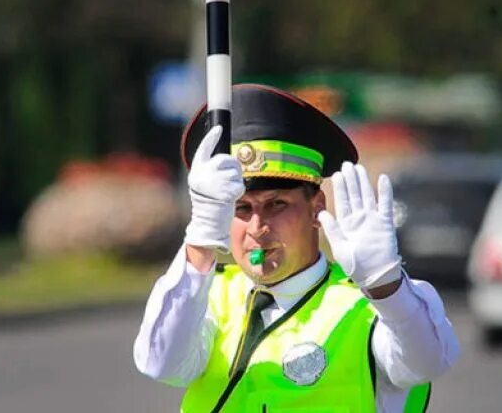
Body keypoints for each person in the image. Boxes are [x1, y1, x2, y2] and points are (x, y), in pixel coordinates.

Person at [133, 84, 460, 412]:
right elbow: (161, 362)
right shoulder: (208, 296)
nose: (257, 227)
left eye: (276, 204)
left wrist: (386, 286)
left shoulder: (367, 307)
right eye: (241, 209)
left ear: (316, 207)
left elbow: (427, 362)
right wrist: (200, 241)